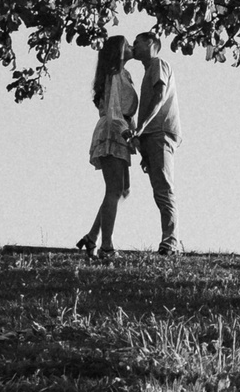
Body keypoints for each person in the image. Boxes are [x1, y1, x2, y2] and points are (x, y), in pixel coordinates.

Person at [75, 34, 138, 260]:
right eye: (127, 45)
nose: (131, 47)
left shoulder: (125, 75)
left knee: (123, 189)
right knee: (114, 189)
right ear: (118, 52)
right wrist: (127, 132)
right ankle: (106, 246)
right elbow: (113, 111)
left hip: (120, 130)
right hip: (113, 130)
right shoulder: (114, 75)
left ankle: (92, 236)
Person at [128, 29, 182, 255]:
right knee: (159, 187)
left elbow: (159, 97)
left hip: (160, 132)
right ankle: (170, 240)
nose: (134, 46)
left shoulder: (159, 64)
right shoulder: (148, 70)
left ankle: (171, 242)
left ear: (151, 43)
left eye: (137, 42)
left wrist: (141, 127)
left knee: (163, 187)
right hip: (152, 135)